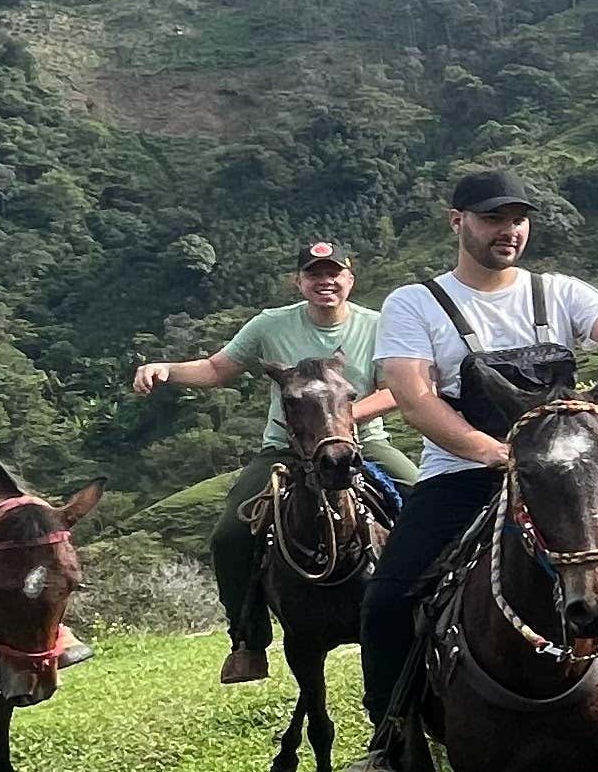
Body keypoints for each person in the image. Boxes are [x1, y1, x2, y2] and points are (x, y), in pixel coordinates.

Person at [316, 169, 598, 772]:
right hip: (463, 473)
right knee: (387, 600)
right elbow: (413, 394)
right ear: (457, 221)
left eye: (517, 219)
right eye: (493, 219)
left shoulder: (557, 292)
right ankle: (391, 751)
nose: (508, 231)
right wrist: (485, 450)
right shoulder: (418, 303)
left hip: (564, 474)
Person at [130, 241, 418, 686]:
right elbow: (215, 369)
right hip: (285, 450)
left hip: (362, 442)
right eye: (314, 274)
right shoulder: (271, 325)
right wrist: (166, 369)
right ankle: (247, 639)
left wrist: (337, 420)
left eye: (334, 273)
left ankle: (437, 611)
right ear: (299, 282)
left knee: (425, 500)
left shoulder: (377, 326)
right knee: (229, 535)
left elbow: (395, 390)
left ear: (349, 279)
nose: (326, 281)